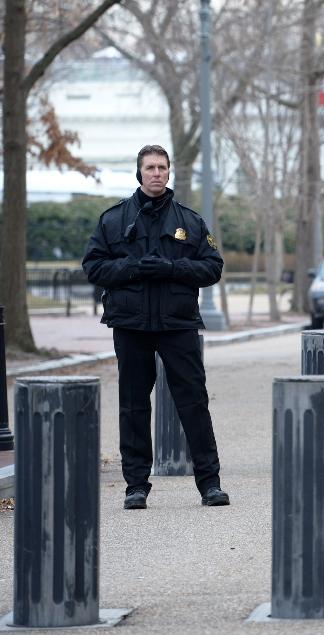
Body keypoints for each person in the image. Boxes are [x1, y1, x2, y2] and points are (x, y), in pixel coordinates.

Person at [83, 145, 230, 509]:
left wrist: (171, 268)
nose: (156, 173)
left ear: (169, 173)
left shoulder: (190, 221)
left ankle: (209, 484)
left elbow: (213, 267)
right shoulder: (113, 219)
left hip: (177, 324)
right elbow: (93, 267)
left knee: (193, 402)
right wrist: (132, 267)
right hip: (130, 325)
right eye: (150, 167)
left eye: (162, 168)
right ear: (139, 172)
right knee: (133, 406)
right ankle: (136, 485)